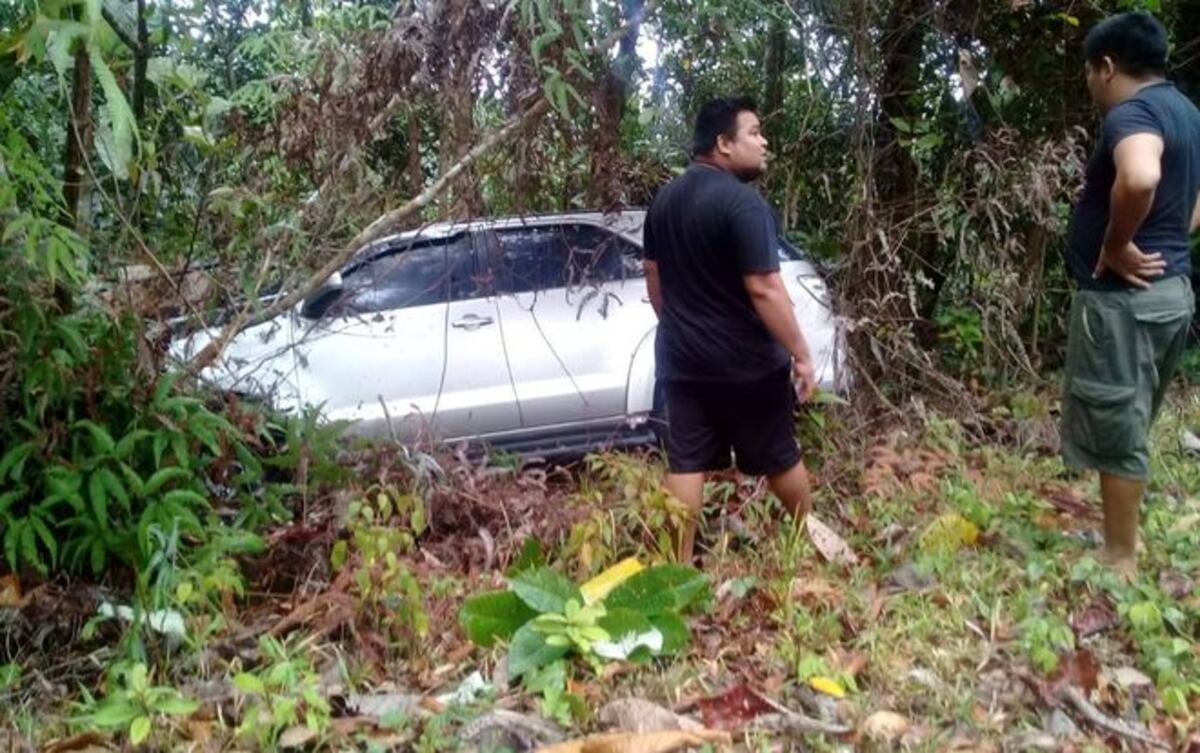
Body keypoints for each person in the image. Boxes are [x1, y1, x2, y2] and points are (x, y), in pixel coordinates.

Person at [642, 96, 818, 563]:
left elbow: (654, 277)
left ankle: (676, 569)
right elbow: (764, 287)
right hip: (746, 365)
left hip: (681, 360)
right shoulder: (743, 205)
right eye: (754, 133)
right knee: (779, 454)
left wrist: (682, 327)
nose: (764, 143)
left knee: (686, 462)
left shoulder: (664, 200)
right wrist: (800, 353)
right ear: (723, 144)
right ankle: (805, 536)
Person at [1061, 11, 1199, 578]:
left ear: (1108, 66)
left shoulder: (1132, 112)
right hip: (1170, 292)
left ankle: (1120, 559)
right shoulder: (1186, 112)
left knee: (1118, 427)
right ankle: (1121, 537)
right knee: (1131, 417)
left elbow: (1139, 177)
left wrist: (1118, 242)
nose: (1091, 85)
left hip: (1126, 301)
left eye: (1090, 73)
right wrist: (1170, 234)